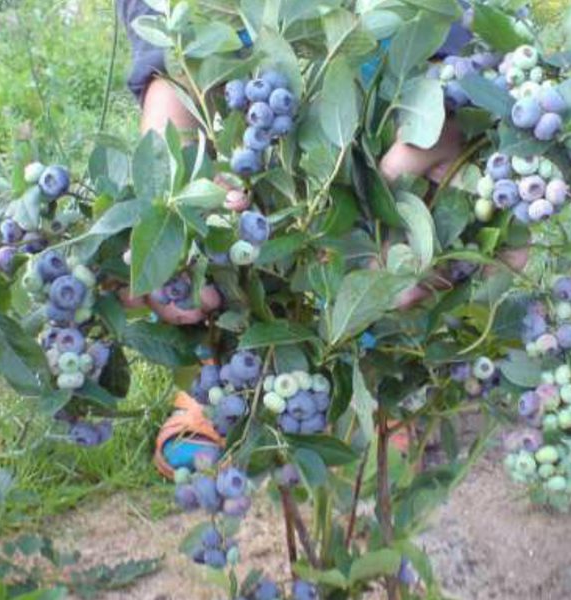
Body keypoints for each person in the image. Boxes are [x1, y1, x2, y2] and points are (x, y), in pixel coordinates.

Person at [116, 0, 526, 474]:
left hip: (390, 68)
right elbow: (166, 50)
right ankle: (240, 373)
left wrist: (443, 119)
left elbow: (447, 45)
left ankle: (377, 367)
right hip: (242, 82)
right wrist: (170, 195)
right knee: (240, 197)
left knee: (394, 228)